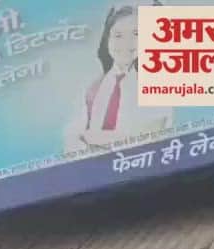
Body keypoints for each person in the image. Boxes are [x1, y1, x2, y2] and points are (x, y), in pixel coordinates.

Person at [64, 4, 173, 153]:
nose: (126, 43)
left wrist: (91, 138)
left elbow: (148, 137)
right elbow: (72, 139)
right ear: (107, 39)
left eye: (136, 34)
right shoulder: (94, 87)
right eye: (118, 35)